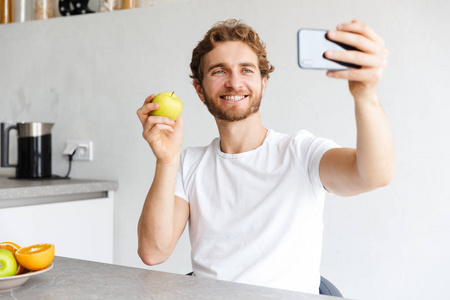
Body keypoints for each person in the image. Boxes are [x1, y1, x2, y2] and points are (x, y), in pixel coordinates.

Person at [136, 19, 394, 294]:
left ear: (263, 82)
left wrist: (366, 94)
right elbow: (153, 252)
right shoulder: (188, 163)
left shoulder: (300, 152)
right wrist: (166, 159)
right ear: (200, 90)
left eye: (246, 70)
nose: (234, 83)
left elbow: (374, 175)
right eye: (219, 71)